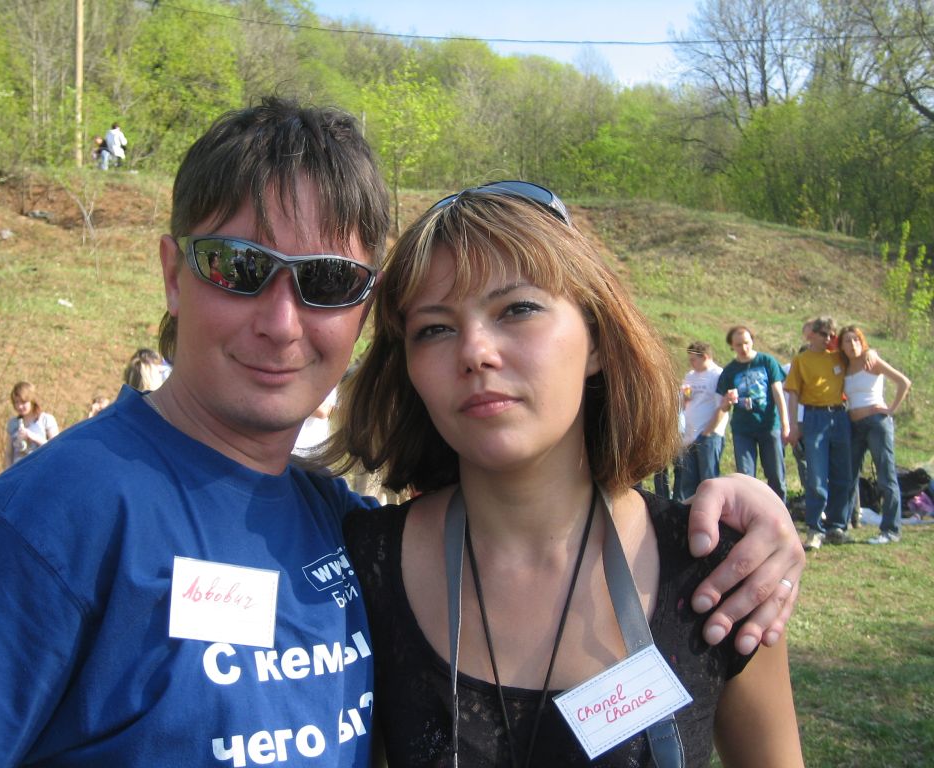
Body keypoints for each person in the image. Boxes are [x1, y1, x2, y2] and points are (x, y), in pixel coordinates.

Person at [0, 100, 802, 767]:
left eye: (328, 281)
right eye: (239, 267)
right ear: (174, 274)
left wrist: (751, 510)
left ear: (363, 313)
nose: (281, 322)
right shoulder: (42, 528)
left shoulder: (341, 532)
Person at [332, 183, 804, 767]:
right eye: (434, 328)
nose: (475, 351)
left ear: (597, 341)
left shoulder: (724, 571)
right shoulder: (361, 567)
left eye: (518, 309)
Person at [784, 317, 853, 550]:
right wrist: (793, 425)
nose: (828, 339)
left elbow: (859, 354)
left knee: (842, 474)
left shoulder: (838, 357)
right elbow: (793, 394)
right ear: (811, 334)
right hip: (814, 417)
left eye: (832, 335)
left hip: (840, 416)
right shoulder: (801, 360)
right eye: (824, 334)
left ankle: (837, 526)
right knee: (816, 476)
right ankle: (815, 528)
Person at [839, 325, 912, 545]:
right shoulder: (844, 366)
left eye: (856, 340)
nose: (852, 344)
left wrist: (890, 409)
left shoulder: (871, 361)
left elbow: (903, 382)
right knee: (849, 475)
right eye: (847, 341)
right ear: (841, 345)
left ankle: (890, 530)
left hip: (876, 423)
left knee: (885, 476)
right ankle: (842, 526)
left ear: (862, 342)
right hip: (854, 425)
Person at [716, 326, 790, 502]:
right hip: (743, 429)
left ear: (752, 341)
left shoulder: (767, 362)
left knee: (776, 475)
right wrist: (727, 401)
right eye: (738, 344)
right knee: (746, 478)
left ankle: (780, 512)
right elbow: (724, 407)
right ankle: (750, 513)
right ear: (731, 346)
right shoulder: (730, 370)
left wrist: (785, 424)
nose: (743, 348)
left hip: (769, 425)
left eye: (746, 343)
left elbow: (778, 394)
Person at [678, 342, 728, 501]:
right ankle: (688, 513)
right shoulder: (690, 376)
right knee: (688, 481)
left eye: (693, 359)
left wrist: (708, 432)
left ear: (705, 357)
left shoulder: (718, 375)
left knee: (708, 480)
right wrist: (685, 397)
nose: (691, 363)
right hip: (689, 435)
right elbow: (684, 402)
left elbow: (722, 406)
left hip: (708, 434)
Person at [5, 380, 60, 466]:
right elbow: (8, 454)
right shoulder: (13, 424)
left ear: (32, 401)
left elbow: (56, 449)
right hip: (20, 471)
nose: (19, 406)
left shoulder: (46, 420)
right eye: (16, 402)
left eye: (23, 402)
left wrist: (32, 436)